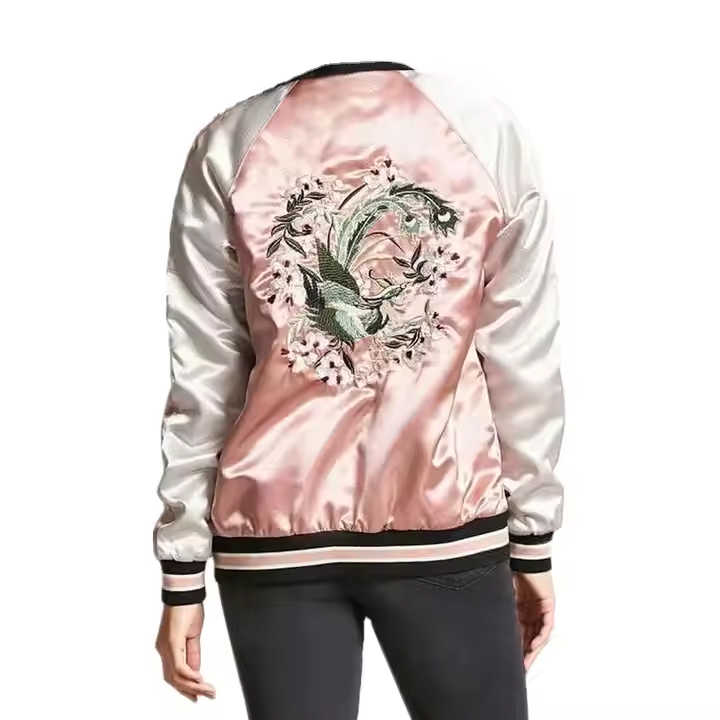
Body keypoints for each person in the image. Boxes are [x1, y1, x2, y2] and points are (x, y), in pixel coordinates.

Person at [153, 61, 564, 720]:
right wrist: (532, 537)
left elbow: (205, 369)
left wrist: (182, 571)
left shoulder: (230, 141)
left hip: (272, 532)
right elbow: (521, 354)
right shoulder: (484, 130)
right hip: (444, 524)